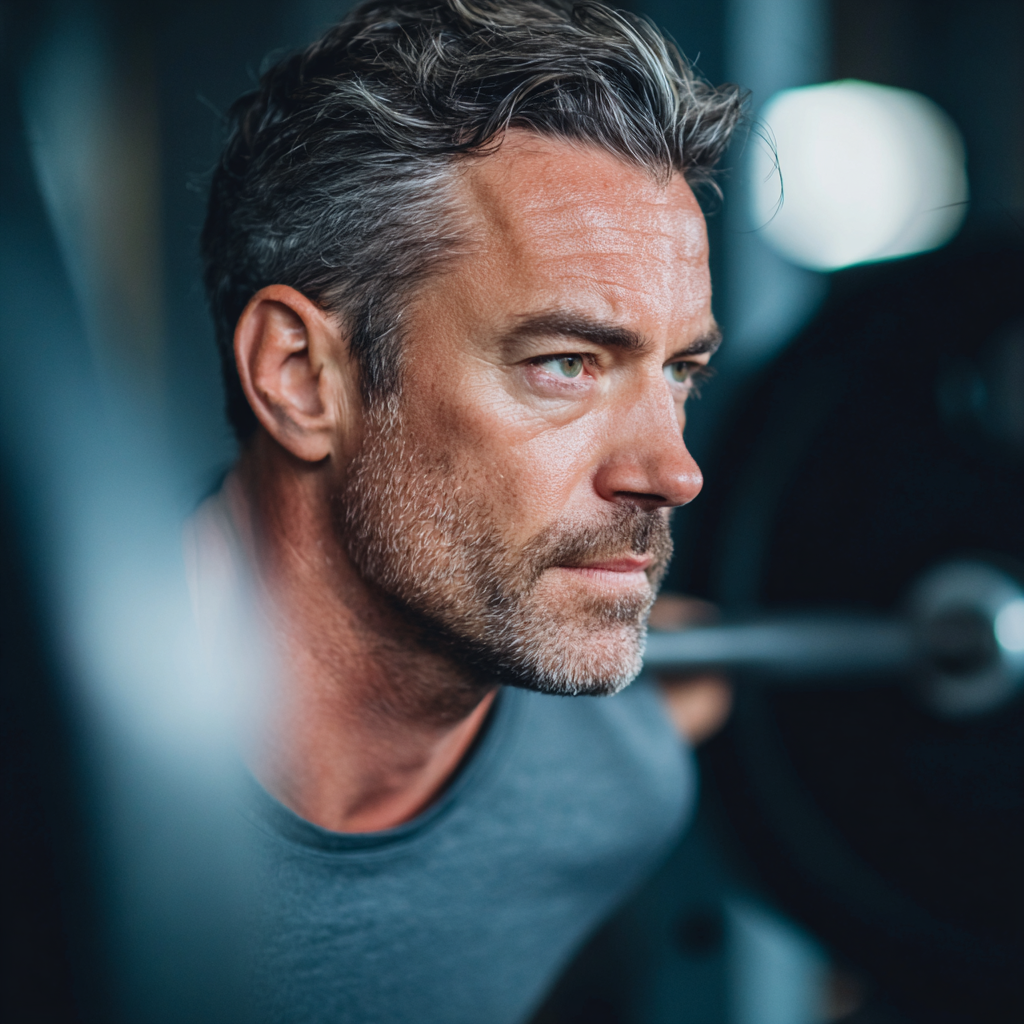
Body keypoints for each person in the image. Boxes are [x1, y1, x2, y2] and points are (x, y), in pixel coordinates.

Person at [189, 1, 742, 1021]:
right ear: (303, 377)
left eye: (681, 373)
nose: (673, 473)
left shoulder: (615, 793)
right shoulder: (52, 783)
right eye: (565, 364)